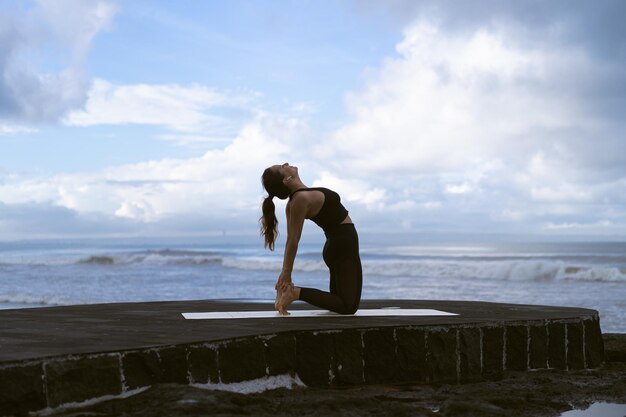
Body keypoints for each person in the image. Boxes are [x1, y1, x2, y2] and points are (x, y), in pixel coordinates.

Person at [259, 162, 362, 315]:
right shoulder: (299, 200)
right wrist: (286, 272)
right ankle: (294, 293)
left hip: (340, 245)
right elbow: (293, 240)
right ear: (285, 179)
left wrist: (285, 275)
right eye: (282, 166)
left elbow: (291, 239)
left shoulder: (300, 196)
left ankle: (288, 292)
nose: (286, 163)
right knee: (348, 307)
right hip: (342, 246)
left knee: (339, 301)